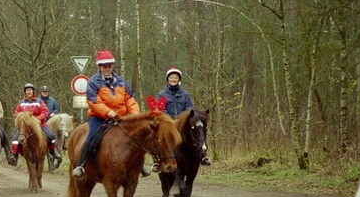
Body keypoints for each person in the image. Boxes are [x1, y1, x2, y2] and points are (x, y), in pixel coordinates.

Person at [71, 50, 150, 179]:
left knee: (135, 136)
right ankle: (80, 165)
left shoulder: (121, 81)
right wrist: (107, 112)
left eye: (109, 65)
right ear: (99, 67)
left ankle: (140, 165)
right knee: (92, 136)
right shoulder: (93, 82)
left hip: (121, 116)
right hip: (98, 116)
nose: (107, 68)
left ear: (112, 66)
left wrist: (134, 114)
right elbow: (93, 101)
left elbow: (130, 99)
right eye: (104, 66)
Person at [151, 67, 212, 172]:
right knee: (158, 134)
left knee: (197, 130)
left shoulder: (185, 94)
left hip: (182, 122)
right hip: (168, 122)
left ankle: (203, 155)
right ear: (168, 79)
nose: (173, 79)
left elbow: (189, 109)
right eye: (171, 78)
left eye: (175, 78)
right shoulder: (162, 94)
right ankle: (157, 161)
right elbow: (160, 109)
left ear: (179, 80)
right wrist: (170, 119)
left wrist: (181, 118)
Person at [11, 83, 62, 161]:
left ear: (33, 91)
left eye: (30, 90)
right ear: (25, 92)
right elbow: (17, 112)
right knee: (15, 139)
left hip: (39, 124)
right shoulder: (21, 103)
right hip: (25, 126)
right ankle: (14, 155)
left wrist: (37, 120)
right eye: (27, 90)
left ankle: (53, 151)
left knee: (51, 136)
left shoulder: (39, 101)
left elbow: (45, 111)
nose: (29, 92)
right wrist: (21, 118)